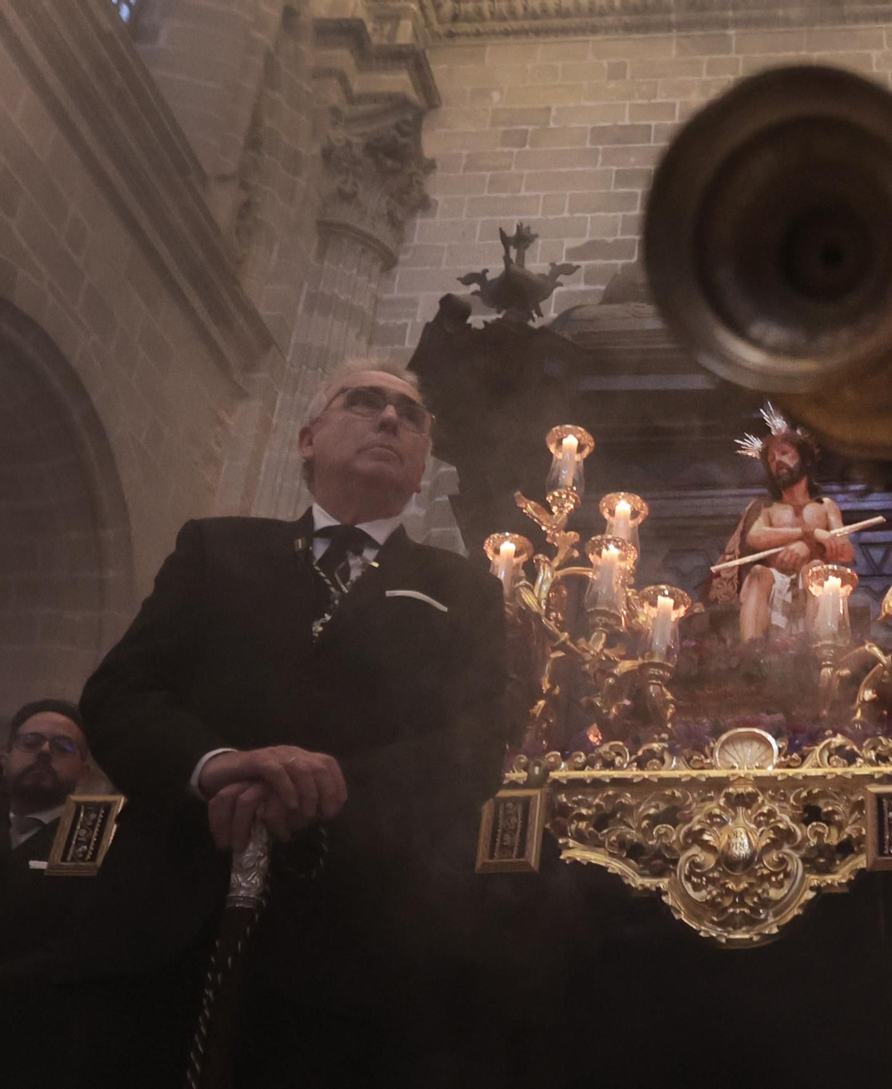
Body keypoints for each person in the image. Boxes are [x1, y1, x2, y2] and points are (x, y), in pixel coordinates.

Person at [72, 361, 511, 1088]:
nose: (391, 420)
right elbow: (121, 691)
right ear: (308, 439)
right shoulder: (216, 549)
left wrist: (330, 783)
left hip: (360, 943)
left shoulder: (461, 589)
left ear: (424, 462)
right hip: (173, 917)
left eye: (411, 414)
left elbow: (472, 747)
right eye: (365, 402)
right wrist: (215, 763)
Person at [704, 404, 855, 642]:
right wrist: (812, 534)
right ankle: (751, 651)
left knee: (815, 569)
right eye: (772, 458)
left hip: (812, 579)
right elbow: (755, 537)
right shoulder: (766, 508)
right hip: (773, 579)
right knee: (757, 573)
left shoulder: (825, 506)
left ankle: (821, 647)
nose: (777, 461)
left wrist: (814, 548)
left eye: (785, 453)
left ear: (804, 459)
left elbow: (845, 552)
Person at [0, 700, 92, 963]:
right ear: (4, 761)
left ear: (83, 773)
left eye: (63, 746)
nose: (43, 751)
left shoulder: (92, 843)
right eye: (30, 741)